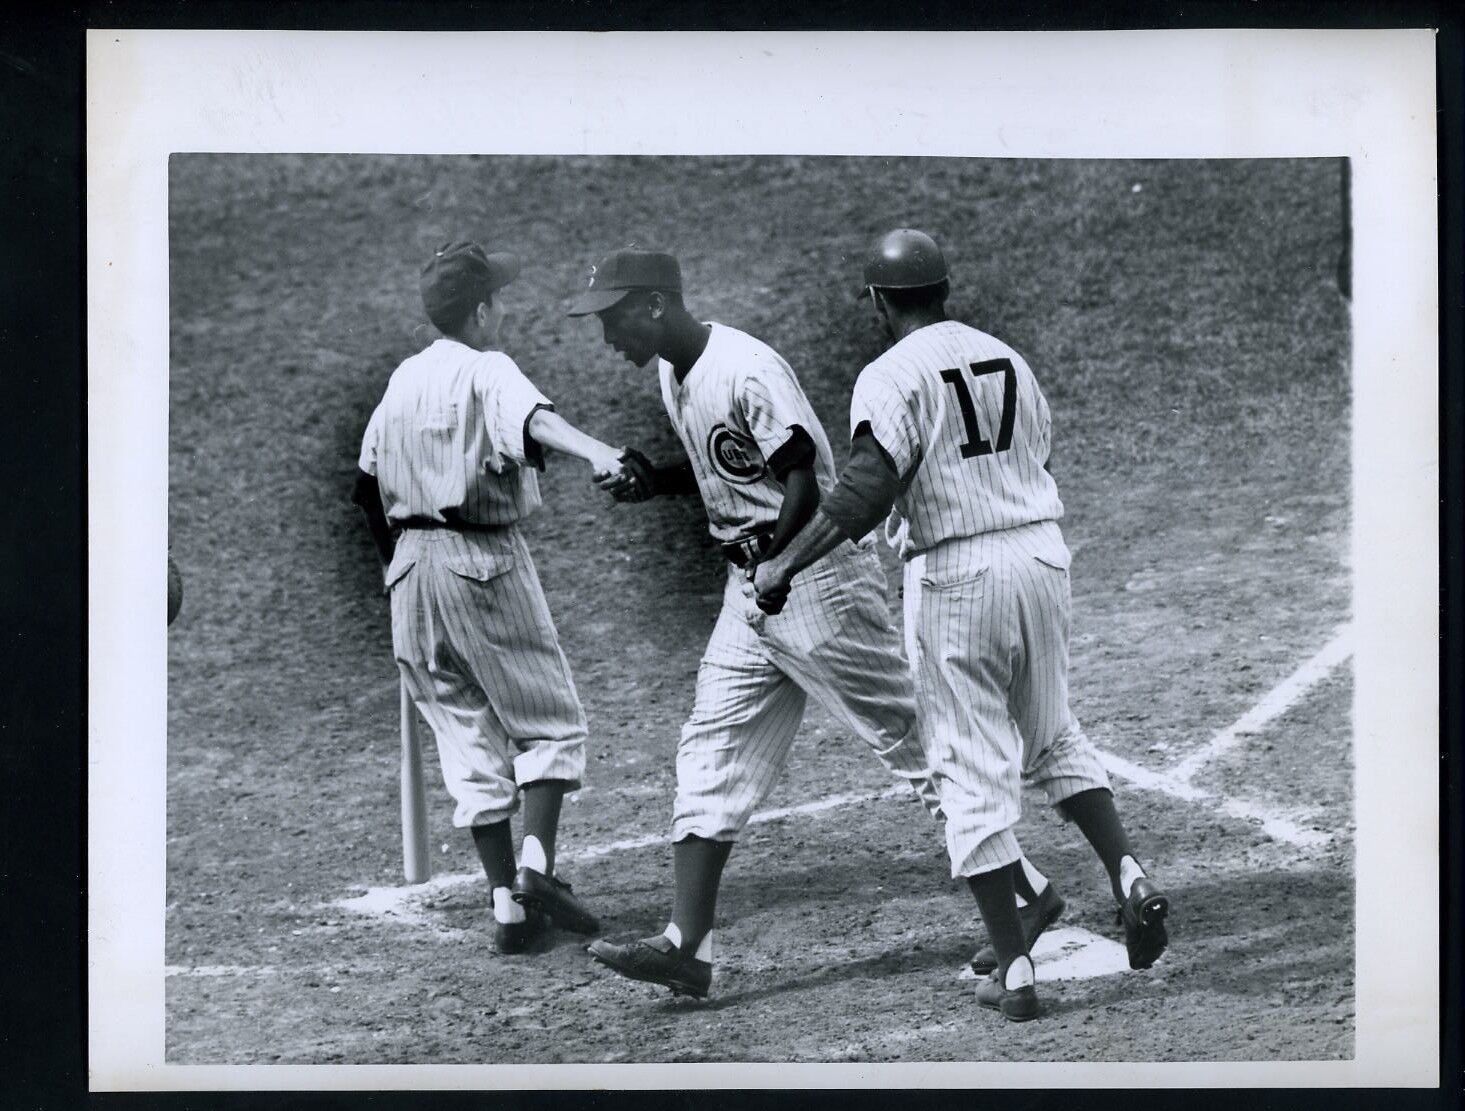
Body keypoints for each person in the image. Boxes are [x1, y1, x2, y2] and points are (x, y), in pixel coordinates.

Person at [564, 245, 1050, 1000]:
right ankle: (686, 945)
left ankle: (1027, 897)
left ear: (655, 304)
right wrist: (654, 481)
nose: (605, 336)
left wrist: (778, 568)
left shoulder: (745, 368)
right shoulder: (674, 371)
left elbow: (802, 481)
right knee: (710, 748)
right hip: (750, 586)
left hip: (815, 583)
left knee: (917, 743)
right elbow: (728, 473)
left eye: (613, 316)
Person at [754, 229, 1170, 1022]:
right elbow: (1039, 455)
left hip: (957, 574)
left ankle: (1012, 970)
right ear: (944, 289)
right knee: (1052, 734)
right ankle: (1127, 874)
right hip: (1041, 555)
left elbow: (867, 488)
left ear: (879, 300)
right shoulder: (1005, 355)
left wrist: (781, 566)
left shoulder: (888, 374)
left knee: (964, 763)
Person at [353, 240, 628, 953]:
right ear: (480, 310)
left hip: (408, 574)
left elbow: (363, 486)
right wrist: (598, 452)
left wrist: (397, 569)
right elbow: (533, 421)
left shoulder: (402, 377)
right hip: (480, 558)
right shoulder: (487, 367)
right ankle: (537, 869)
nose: (503, 309)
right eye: (497, 298)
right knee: (547, 724)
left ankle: (507, 908)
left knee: (465, 739)